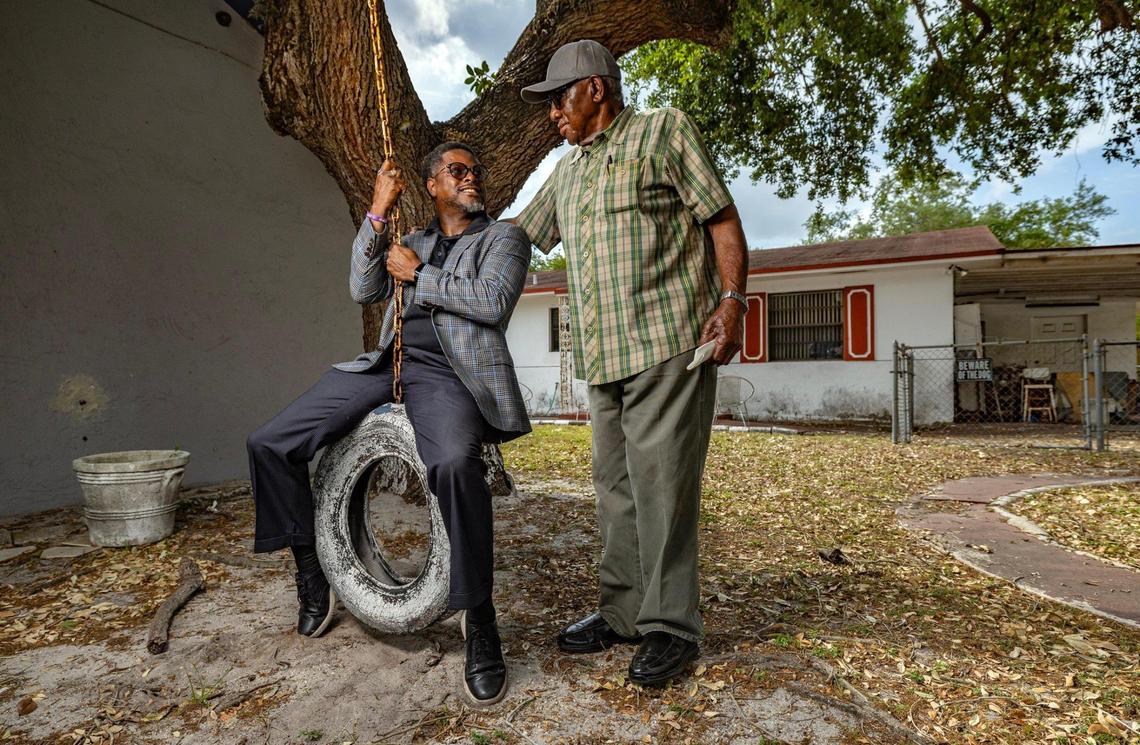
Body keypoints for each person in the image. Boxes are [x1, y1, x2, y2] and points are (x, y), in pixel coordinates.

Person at [246, 142, 531, 706]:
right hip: (387, 365)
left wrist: (420, 275)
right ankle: (312, 571)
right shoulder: (412, 238)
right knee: (269, 443)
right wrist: (378, 210)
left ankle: (480, 616)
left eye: (475, 169)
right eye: (458, 170)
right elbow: (363, 287)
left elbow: (493, 301)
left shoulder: (504, 238)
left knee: (453, 464)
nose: (471, 177)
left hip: (450, 377)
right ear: (432, 185)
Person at [513, 40, 749, 686]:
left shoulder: (661, 131)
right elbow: (515, 236)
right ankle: (621, 613)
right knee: (614, 490)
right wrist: (434, 238)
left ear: (595, 89)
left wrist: (732, 301)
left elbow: (722, 220)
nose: (552, 115)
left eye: (558, 99)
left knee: (662, 488)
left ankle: (670, 626)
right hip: (603, 356)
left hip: (668, 340)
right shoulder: (568, 171)